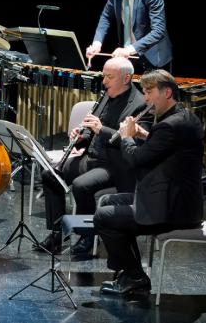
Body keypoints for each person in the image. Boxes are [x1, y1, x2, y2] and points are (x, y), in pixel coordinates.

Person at [94, 69, 204, 295]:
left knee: (104, 217)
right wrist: (145, 136)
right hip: (175, 198)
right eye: (144, 92)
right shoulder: (184, 116)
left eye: (149, 92)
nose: (145, 98)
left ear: (167, 92)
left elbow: (136, 160)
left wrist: (126, 137)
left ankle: (135, 276)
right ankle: (129, 271)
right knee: (108, 200)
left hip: (173, 209)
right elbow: (163, 149)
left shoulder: (169, 125)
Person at [36, 57, 147, 255]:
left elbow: (133, 142)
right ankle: (56, 235)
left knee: (81, 185)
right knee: (49, 176)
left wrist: (100, 129)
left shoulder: (139, 104)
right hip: (92, 158)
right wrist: (81, 137)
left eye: (109, 77)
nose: (104, 81)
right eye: (104, 76)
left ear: (126, 78)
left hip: (115, 165)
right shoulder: (107, 94)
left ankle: (87, 236)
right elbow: (91, 127)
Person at [86, 0, 172, 72]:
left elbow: (159, 30)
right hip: (129, 58)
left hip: (154, 57)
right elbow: (106, 17)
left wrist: (129, 49)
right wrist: (97, 43)